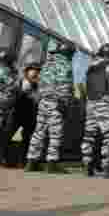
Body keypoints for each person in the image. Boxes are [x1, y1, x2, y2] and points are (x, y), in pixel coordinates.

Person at [25, 41, 75, 173]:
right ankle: (52, 164)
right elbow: (65, 86)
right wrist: (65, 103)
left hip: (43, 101)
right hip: (56, 102)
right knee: (55, 133)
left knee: (38, 132)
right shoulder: (65, 65)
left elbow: (40, 83)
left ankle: (31, 162)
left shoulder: (47, 64)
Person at [81, 43, 109, 178]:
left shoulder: (90, 67)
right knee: (108, 137)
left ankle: (87, 165)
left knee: (89, 136)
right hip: (106, 104)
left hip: (91, 103)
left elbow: (85, 86)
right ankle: (107, 168)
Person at [0, 62, 41, 167]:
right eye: (33, 70)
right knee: (9, 136)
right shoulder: (19, 83)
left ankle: (23, 161)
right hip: (16, 113)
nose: (35, 73)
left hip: (30, 115)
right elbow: (10, 96)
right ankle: (5, 159)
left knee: (26, 139)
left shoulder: (38, 86)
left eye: (38, 71)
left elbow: (38, 100)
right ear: (26, 72)